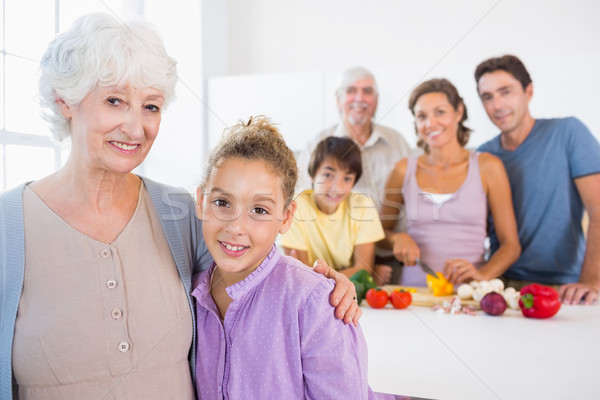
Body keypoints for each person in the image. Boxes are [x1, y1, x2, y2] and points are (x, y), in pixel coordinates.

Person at [0, 13, 357, 400]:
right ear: (64, 100)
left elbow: (254, 282)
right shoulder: (8, 224)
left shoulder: (181, 213)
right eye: (115, 101)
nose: (136, 128)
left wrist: (325, 293)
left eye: (150, 107)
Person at [192, 117, 375, 399]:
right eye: (222, 203)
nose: (235, 227)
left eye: (260, 210)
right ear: (201, 201)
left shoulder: (316, 304)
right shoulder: (189, 293)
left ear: (286, 217)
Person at [475, 54, 600, 304]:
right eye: (487, 97)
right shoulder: (483, 156)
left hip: (564, 285)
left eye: (506, 92)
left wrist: (591, 281)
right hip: (499, 285)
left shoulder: (568, 133)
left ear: (528, 91)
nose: (497, 105)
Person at [380, 78, 521, 287]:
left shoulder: (488, 167)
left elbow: (511, 245)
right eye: (422, 116)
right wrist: (396, 239)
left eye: (440, 112)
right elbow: (378, 232)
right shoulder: (403, 170)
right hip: (414, 295)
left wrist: (483, 274)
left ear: (458, 112)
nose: (430, 124)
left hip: (469, 295)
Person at [296, 66, 412, 284]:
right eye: (351, 91)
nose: (359, 98)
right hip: (342, 265)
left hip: (392, 260)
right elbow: (304, 200)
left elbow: (415, 196)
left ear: (376, 100)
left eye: (367, 91)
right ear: (338, 99)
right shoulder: (318, 144)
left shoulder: (397, 142)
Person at [281, 136, 385, 282]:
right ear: (313, 174)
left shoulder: (362, 205)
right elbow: (301, 274)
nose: (337, 188)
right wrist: (350, 274)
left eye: (347, 178)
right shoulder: (295, 206)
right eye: (328, 175)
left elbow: (363, 269)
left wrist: (317, 275)